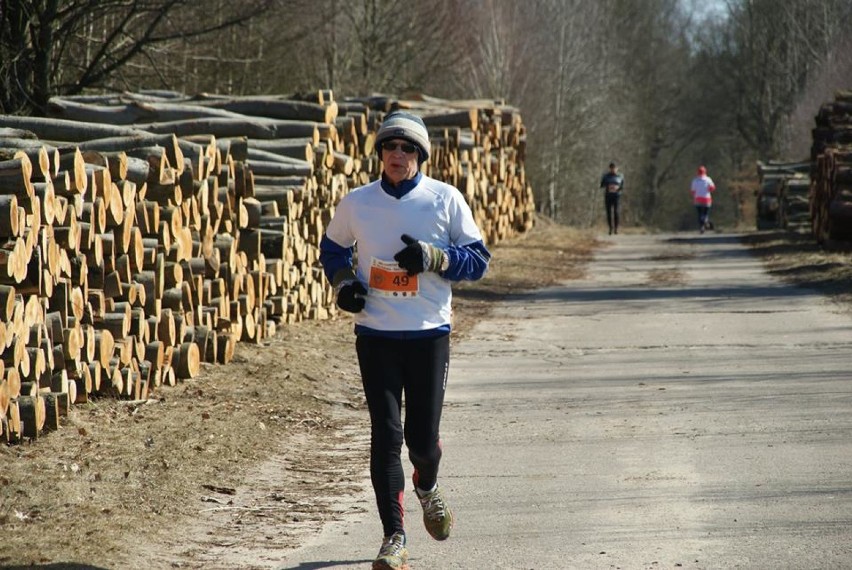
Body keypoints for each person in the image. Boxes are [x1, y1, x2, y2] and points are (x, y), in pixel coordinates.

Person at [319, 111, 491, 570]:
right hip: (375, 334)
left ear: (421, 156)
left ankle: (428, 487)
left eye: (407, 148)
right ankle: (393, 537)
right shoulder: (357, 202)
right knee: (386, 435)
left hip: (428, 335)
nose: (398, 155)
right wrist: (343, 285)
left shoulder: (445, 199)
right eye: (390, 147)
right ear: (379, 154)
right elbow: (333, 249)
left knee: (422, 442)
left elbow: (478, 261)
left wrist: (434, 256)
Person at [599, 162, 624, 235]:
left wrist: (618, 188)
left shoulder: (620, 176)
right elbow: (601, 185)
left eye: (614, 168)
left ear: (617, 169)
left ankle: (616, 229)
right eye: (612, 168)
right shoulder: (606, 176)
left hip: (617, 196)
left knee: (616, 212)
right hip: (608, 196)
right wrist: (608, 186)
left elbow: (622, 186)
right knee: (609, 212)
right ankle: (610, 228)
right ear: (609, 169)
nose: (613, 170)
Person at [690, 165, 716, 233]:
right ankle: (706, 221)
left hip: (698, 199)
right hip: (707, 199)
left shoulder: (695, 180)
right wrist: (707, 190)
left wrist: (696, 195)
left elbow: (692, 191)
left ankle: (702, 226)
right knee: (705, 213)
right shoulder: (708, 179)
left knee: (699, 214)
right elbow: (712, 188)